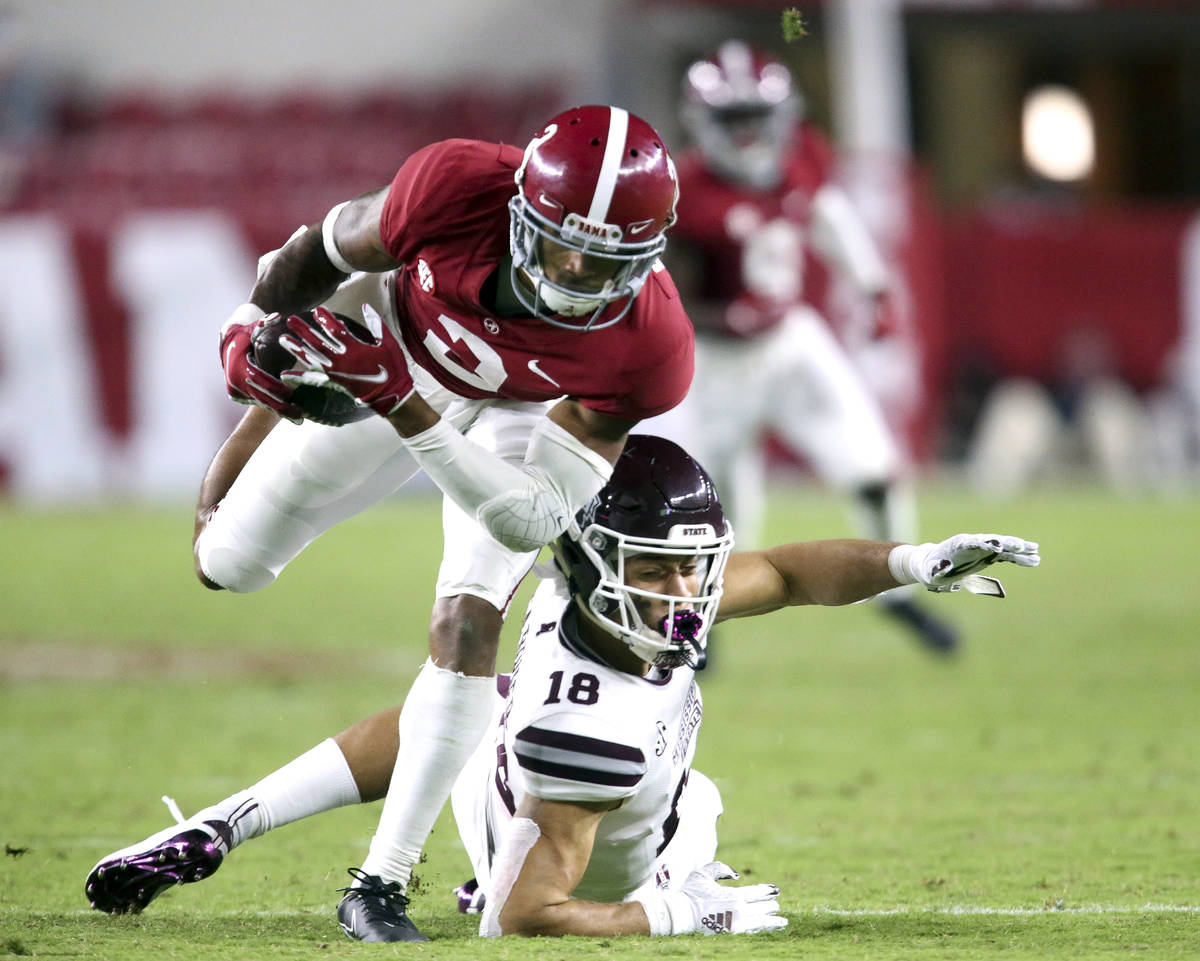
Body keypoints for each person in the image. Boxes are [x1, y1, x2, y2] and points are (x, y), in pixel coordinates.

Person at [86, 435, 1040, 939]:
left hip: (508, 776)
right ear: (593, 562)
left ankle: (223, 821)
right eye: (660, 569)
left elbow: (789, 573)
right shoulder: (591, 732)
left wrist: (912, 559)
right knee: (632, 808)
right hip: (591, 843)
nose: (688, 592)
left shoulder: (593, 584)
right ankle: (466, 871)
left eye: (692, 566)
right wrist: (667, 912)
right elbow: (521, 920)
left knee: (457, 711)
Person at [193, 104, 693, 940]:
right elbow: (318, 253)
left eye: (609, 260)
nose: (577, 272)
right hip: (389, 343)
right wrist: (251, 338)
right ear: (520, 210)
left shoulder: (653, 346)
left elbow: (533, 516)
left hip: (520, 416)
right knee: (226, 562)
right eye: (564, 241)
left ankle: (379, 883)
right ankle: (269, 427)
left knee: (469, 620)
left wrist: (405, 405)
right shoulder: (457, 184)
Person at [650, 40, 960, 654]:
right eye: (731, 119)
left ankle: (901, 594)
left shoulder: (804, 158)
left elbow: (830, 217)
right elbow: (655, 288)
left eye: (756, 117)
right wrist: (708, 313)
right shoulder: (679, 191)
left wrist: (873, 287)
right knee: (699, 511)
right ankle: (693, 628)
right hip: (711, 359)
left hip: (790, 342)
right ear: (702, 123)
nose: (747, 134)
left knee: (874, 472)